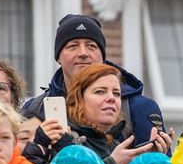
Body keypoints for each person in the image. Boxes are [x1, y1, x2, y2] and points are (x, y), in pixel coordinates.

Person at [23, 14, 164, 147]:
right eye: (73, 46)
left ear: (102, 56)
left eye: (91, 46)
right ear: (58, 57)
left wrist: (152, 159)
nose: (83, 53)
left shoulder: (138, 107)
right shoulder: (35, 109)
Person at [24, 63, 173, 164]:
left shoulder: (116, 141)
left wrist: (151, 162)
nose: (111, 98)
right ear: (79, 100)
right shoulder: (60, 139)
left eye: (116, 93)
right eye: (100, 92)